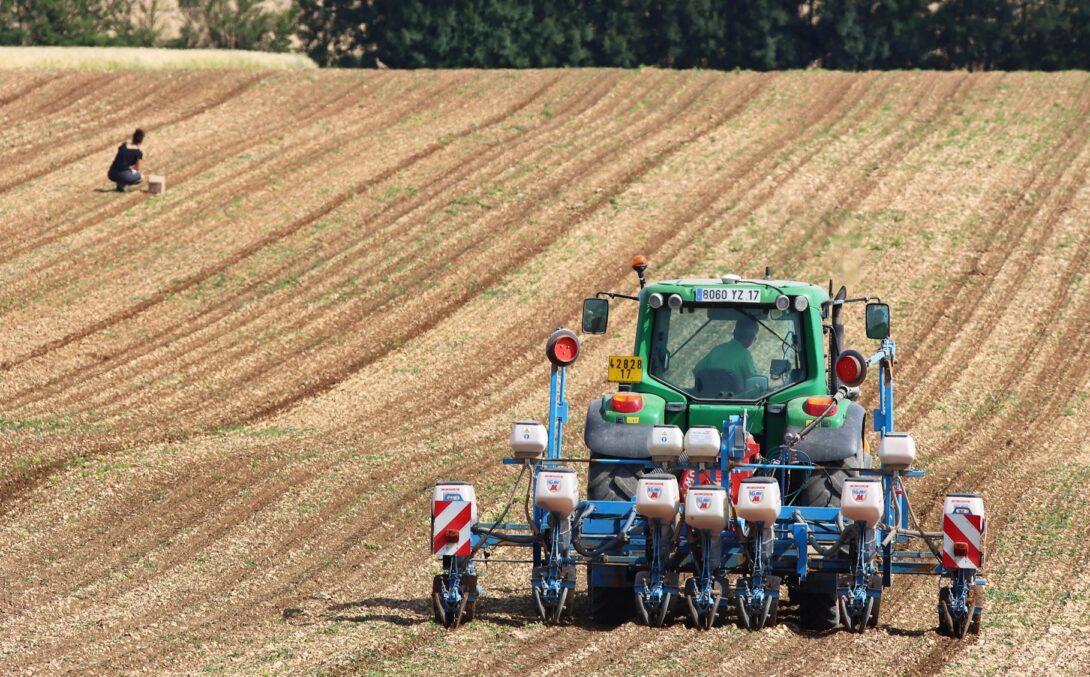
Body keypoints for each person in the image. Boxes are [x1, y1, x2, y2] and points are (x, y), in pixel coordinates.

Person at [693, 315, 758, 394]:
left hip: (709, 400)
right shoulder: (744, 355)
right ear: (751, 338)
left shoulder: (717, 350)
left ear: (734, 333)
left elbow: (697, 370)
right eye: (754, 338)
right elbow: (754, 382)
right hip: (736, 402)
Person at [107, 128, 145, 192]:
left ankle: (120, 185)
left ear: (133, 137)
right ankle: (123, 185)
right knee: (141, 177)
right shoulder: (138, 153)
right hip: (123, 175)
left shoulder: (123, 146)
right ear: (141, 141)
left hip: (111, 173)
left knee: (125, 171)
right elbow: (137, 170)